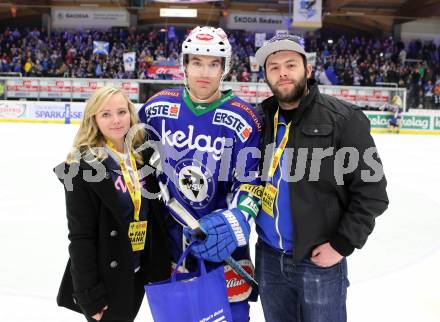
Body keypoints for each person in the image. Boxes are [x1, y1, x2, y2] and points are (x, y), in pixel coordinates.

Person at [253, 34, 389, 322]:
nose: (283, 73)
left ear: (308, 70)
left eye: (291, 64)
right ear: (265, 75)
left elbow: (373, 192)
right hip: (268, 257)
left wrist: (341, 244)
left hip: (318, 260)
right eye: (274, 67)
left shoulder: (343, 118)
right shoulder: (260, 119)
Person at [138, 26, 262, 322]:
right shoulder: (158, 108)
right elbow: (135, 162)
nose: (204, 72)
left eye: (213, 64)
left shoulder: (244, 117)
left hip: (224, 250)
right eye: (197, 62)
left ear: (224, 68)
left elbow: (252, 181)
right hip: (171, 249)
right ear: (184, 65)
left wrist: (236, 220)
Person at [54, 86, 171, 322]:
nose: (116, 120)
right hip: (108, 280)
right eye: (106, 114)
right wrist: (90, 297)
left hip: (136, 273)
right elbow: (80, 237)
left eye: (121, 111)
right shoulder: (82, 167)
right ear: (93, 119)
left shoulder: (141, 156)